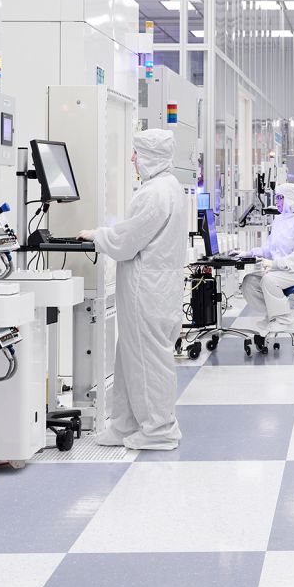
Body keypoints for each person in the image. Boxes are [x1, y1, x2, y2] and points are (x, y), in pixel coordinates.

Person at [76, 128, 184, 451]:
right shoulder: (171, 188)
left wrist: (96, 235)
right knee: (129, 357)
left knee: (149, 360)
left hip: (147, 291)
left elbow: (126, 241)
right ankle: (124, 424)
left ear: (150, 156)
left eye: (137, 153)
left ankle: (159, 429)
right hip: (159, 288)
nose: (132, 159)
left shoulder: (154, 194)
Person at [238, 182, 294, 333]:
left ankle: (285, 320)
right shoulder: (279, 220)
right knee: (249, 282)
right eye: (276, 198)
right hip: (281, 270)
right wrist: (248, 253)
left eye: (279, 198)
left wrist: (275, 264)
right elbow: (270, 248)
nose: (276, 201)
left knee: (269, 281)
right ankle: (279, 316)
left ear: (290, 199)